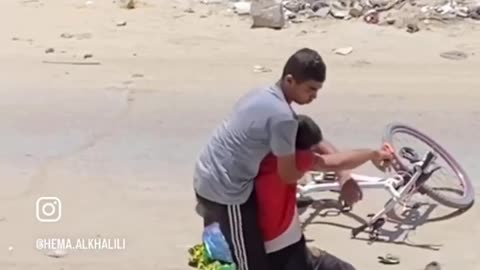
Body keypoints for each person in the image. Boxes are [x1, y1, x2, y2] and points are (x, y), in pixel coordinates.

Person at [193, 47, 388, 270]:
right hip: (226, 192)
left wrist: (338, 172)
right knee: (249, 265)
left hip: (207, 174)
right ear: (290, 80)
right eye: (310, 89)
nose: (314, 96)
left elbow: (312, 141)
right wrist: (306, 167)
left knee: (233, 253)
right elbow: (289, 174)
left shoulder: (263, 95)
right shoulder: (283, 118)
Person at [256, 114, 392, 270]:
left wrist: (343, 175)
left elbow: (319, 143)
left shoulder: (262, 150)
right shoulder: (293, 160)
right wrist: (372, 154)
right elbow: (336, 161)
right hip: (281, 249)